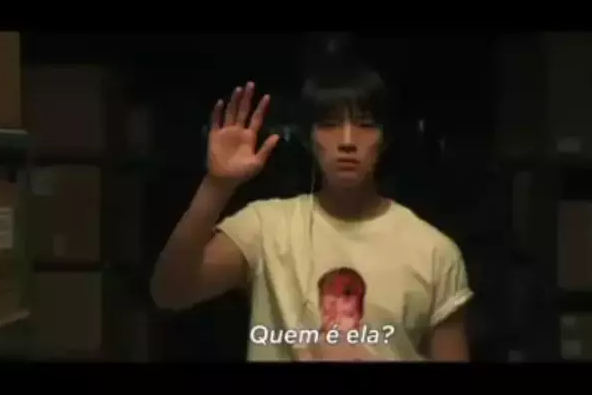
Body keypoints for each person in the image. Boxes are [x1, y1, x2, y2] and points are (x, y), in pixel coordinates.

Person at [150, 44, 472, 361]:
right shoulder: (267, 227)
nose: (347, 141)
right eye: (329, 124)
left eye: (365, 124)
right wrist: (216, 186)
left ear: (385, 138)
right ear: (309, 138)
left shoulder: (433, 251)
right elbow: (170, 292)